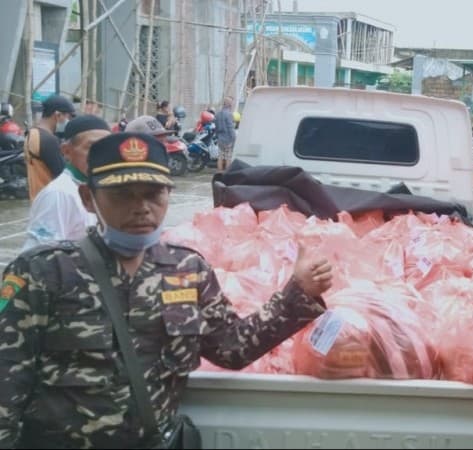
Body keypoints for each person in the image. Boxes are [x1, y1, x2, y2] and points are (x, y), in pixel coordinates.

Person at [0, 132, 333, 448]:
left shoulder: (188, 271)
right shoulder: (42, 272)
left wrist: (297, 291)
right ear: (88, 199)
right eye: (123, 195)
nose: (142, 207)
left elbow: (232, 348)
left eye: (153, 193)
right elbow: (6, 384)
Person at [22, 115, 110, 251]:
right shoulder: (58, 194)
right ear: (66, 151)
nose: (102, 154)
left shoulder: (105, 189)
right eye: (92, 147)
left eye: (106, 147)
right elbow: (40, 258)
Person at [24, 94, 74, 200]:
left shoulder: (32, 133)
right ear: (57, 115)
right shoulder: (48, 140)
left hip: (38, 198)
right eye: (67, 117)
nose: (68, 121)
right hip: (51, 200)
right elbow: (63, 176)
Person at [215, 96, 237, 172]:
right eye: (231, 103)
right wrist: (234, 140)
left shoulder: (218, 114)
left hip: (220, 139)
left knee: (220, 157)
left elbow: (216, 128)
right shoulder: (229, 114)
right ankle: (228, 174)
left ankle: (219, 173)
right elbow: (231, 129)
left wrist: (218, 137)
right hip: (228, 140)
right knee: (228, 158)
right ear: (229, 104)